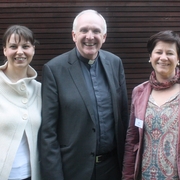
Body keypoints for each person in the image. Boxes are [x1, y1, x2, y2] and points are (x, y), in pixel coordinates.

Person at [39, 9, 129, 180]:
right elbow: (48, 133)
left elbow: (123, 118)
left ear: (104, 37)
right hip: (73, 170)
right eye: (84, 30)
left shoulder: (115, 63)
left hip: (112, 169)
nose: (90, 36)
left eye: (96, 31)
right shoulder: (55, 69)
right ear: (74, 35)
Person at [122, 30, 180, 179]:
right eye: (158, 52)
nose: (163, 57)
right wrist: (127, 176)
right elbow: (132, 140)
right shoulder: (139, 92)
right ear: (150, 57)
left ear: (178, 59)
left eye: (170, 53)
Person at [0, 25, 41, 180]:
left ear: (33, 50)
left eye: (25, 46)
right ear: (4, 50)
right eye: (13, 46)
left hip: (32, 175)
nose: (20, 51)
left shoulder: (40, 91)